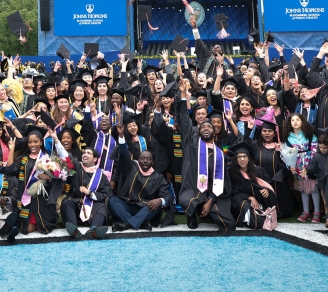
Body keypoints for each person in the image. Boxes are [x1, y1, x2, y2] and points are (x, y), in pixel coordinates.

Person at [175, 81, 235, 231]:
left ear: (215, 132)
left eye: (210, 126)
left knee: (228, 224)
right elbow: (183, 117)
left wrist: (211, 200)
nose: (206, 128)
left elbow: (220, 178)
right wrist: (183, 94)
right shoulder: (191, 140)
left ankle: (208, 209)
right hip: (192, 184)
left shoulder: (218, 151)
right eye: (203, 126)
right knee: (186, 199)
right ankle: (191, 216)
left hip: (210, 187)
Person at [108, 146, 171, 232]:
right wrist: (122, 137)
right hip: (128, 205)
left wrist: (160, 200)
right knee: (112, 200)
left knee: (155, 206)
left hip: (144, 208)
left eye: (148, 159)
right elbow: (124, 155)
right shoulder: (131, 168)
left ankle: (126, 225)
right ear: (138, 160)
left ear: (152, 162)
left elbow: (167, 197)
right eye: (142, 158)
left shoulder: (158, 178)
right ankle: (141, 224)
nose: (145, 161)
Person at [62, 146, 112, 239]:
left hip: (93, 208)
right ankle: (74, 229)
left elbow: (106, 194)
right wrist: (56, 139)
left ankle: (94, 230)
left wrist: (89, 193)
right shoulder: (77, 168)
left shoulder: (101, 176)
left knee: (103, 208)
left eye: (88, 153)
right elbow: (66, 157)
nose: (85, 154)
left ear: (95, 159)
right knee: (67, 202)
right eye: (84, 152)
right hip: (77, 206)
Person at [229, 141, 277, 229]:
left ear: (248, 158)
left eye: (244, 156)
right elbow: (234, 191)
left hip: (260, 201)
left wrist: (266, 190)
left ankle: (256, 219)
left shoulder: (258, 170)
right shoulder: (232, 173)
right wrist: (251, 198)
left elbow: (268, 183)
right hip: (242, 201)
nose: (242, 159)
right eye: (239, 157)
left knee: (258, 210)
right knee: (245, 206)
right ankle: (259, 221)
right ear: (236, 159)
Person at [283, 112, 320, 223]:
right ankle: (306, 211)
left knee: (314, 188)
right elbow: (286, 154)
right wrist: (291, 166)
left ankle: (317, 212)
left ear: (302, 122)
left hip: (310, 165)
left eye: (297, 120)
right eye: (292, 120)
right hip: (298, 166)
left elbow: (314, 151)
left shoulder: (311, 136)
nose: (295, 122)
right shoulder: (288, 139)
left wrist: (310, 167)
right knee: (303, 190)